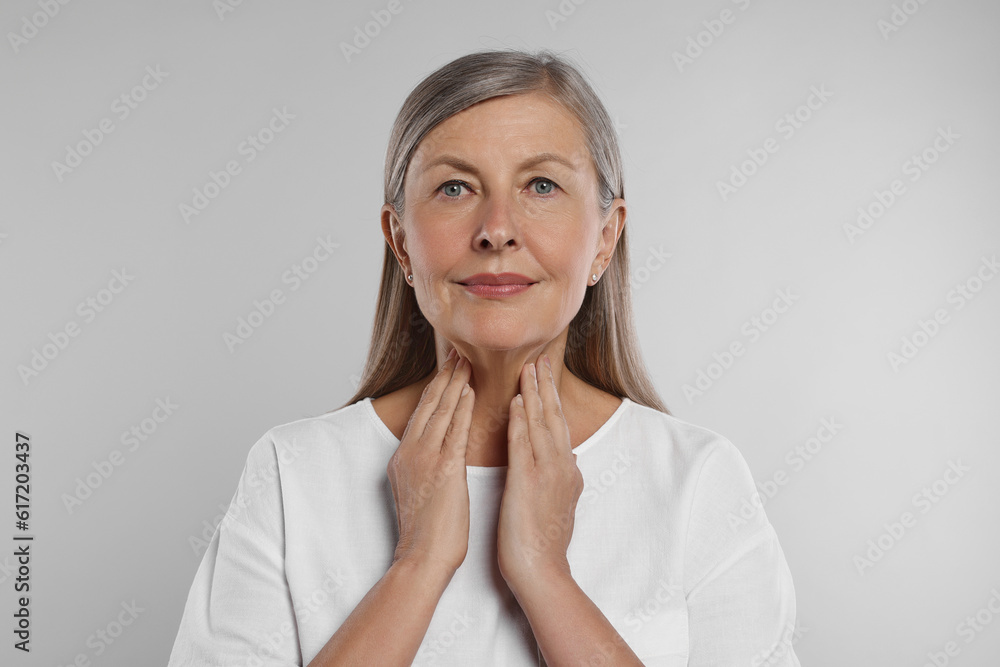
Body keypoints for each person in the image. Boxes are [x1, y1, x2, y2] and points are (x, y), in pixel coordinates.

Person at [167, 49, 801, 666]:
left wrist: (545, 576)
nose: (497, 228)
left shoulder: (697, 481)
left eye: (542, 185)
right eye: (455, 187)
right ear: (400, 242)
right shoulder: (291, 475)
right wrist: (416, 566)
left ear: (606, 237)